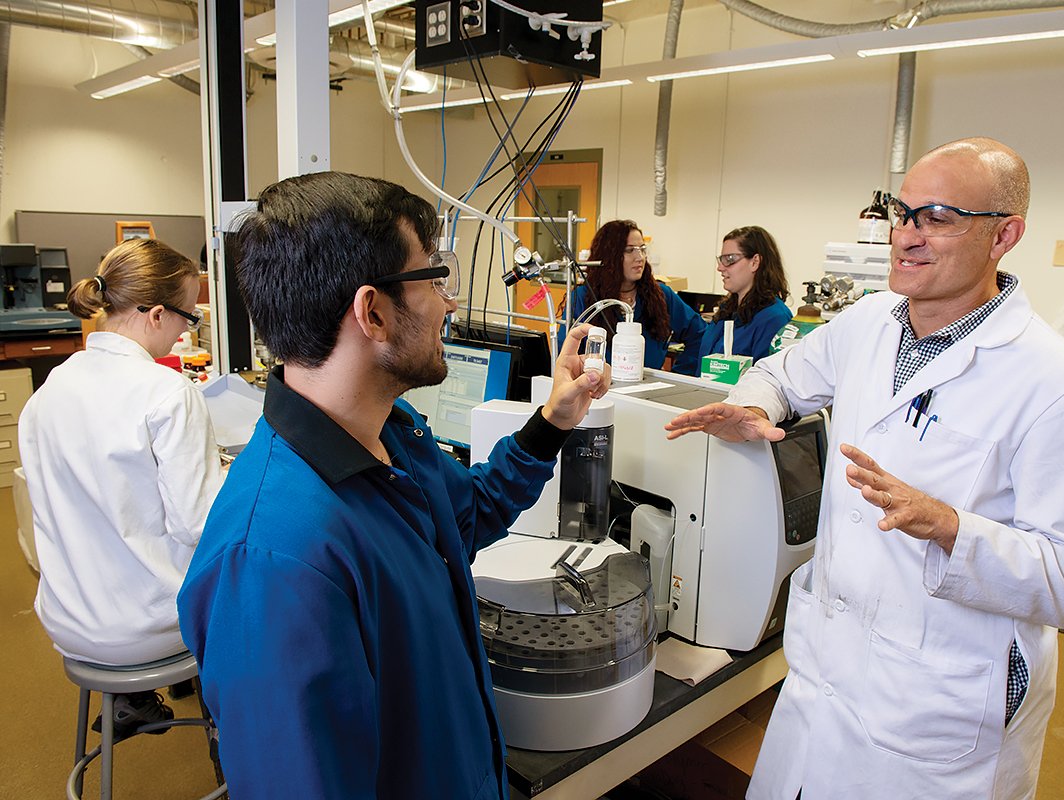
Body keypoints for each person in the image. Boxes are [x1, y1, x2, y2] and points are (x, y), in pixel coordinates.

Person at [664, 138, 1064, 799]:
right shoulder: (870, 320)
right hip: (824, 671)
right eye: (902, 212)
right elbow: (779, 375)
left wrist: (950, 528)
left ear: (1004, 236)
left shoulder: (1061, 387)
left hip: (936, 709)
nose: (906, 236)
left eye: (936, 218)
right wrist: (752, 406)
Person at [177, 172, 608, 799]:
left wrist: (552, 423)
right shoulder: (274, 560)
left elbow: (466, 519)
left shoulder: (394, 432)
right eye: (434, 278)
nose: (450, 302)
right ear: (373, 313)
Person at [18, 238, 223, 736]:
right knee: (266, 588)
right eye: (187, 318)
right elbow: (198, 525)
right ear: (156, 314)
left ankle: (131, 698)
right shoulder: (166, 392)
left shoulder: (49, 390)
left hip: (69, 619)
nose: (183, 332)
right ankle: (240, 750)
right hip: (146, 628)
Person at [559, 219, 706, 374]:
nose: (640, 257)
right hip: (598, 390)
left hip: (648, 389)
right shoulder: (584, 299)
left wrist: (679, 374)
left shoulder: (660, 296)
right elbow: (566, 354)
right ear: (609, 256)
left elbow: (700, 334)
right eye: (629, 250)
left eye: (642, 249)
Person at [696, 225, 793, 368]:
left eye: (729, 259)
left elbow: (767, 379)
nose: (720, 268)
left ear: (755, 262)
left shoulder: (774, 318)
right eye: (721, 260)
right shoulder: (726, 311)